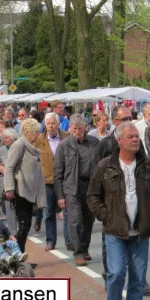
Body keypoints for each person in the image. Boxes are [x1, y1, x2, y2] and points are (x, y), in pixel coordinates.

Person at [87, 122, 150, 300]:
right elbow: (92, 196)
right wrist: (105, 215)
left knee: (138, 279)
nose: (136, 139)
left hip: (140, 232)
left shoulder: (148, 165)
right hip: (114, 231)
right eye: (131, 137)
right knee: (116, 273)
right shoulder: (105, 166)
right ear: (119, 140)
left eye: (137, 136)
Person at [55, 114, 99, 266]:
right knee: (75, 220)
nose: (77, 131)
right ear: (70, 128)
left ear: (85, 128)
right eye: (74, 128)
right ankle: (78, 252)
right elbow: (58, 173)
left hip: (90, 186)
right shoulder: (64, 145)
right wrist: (60, 196)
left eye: (80, 128)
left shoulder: (94, 142)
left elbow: (100, 165)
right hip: (72, 187)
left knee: (88, 219)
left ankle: (85, 248)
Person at [4, 118, 47, 254]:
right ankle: (16, 254)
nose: (38, 135)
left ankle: (18, 254)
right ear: (28, 132)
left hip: (29, 191)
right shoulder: (19, 145)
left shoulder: (30, 146)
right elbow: (9, 167)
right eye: (36, 132)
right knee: (24, 225)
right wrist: (9, 188)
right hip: (20, 191)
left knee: (26, 225)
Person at [34, 112, 70, 251]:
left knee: (67, 211)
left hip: (65, 179)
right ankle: (50, 241)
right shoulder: (39, 140)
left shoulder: (67, 136)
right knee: (49, 212)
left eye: (53, 123)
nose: (50, 126)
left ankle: (69, 241)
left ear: (58, 124)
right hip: (47, 180)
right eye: (48, 123)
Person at [0, 128, 18, 233]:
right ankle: (13, 232)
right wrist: (1, 170)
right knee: (9, 207)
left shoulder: (19, 147)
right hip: (7, 182)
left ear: (13, 138)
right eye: (3, 138)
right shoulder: (2, 149)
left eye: (6, 138)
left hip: (19, 180)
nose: (4, 140)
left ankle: (22, 229)